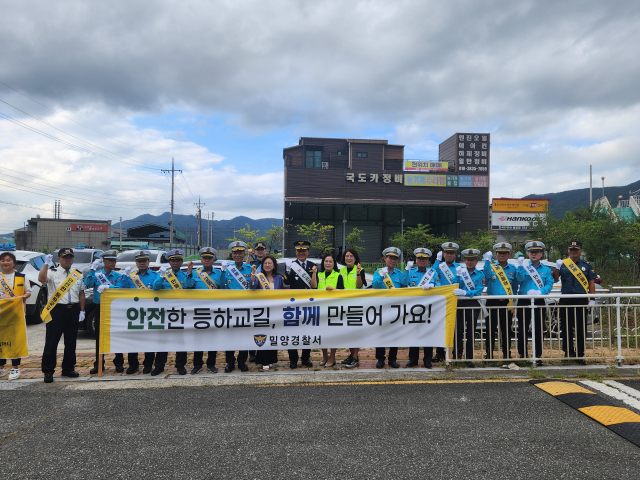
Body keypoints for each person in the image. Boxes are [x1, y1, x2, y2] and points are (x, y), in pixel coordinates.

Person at [38, 248, 85, 383]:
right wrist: (46, 264)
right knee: (52, 342)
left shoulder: (78, 274)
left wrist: (82, 311)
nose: (68, 259)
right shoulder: (52, 272)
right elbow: (42, 279)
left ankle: (68, 368)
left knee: (71, 342)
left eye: (70, 257)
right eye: (65, 257)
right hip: (56, 310)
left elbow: (81, 293)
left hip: (73, 309)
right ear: (59, 259)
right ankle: (48, 371)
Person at [552, 240, 596, 365]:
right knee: (565, 327)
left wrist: (592, 299)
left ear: (581, 251)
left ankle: (580, 354)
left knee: (581, 328)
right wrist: (557, 268)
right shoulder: (563, 264)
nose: (573, 252)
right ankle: (568, 352)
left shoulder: (587, 265)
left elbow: (591, 283)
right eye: (571, 249)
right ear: (568, 251)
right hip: (566, 299)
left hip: (581, 299)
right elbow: (555, 279)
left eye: (576, 249)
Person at [116, 250, 161, 374]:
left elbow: (158, 288)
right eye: (139, 261)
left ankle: (148, 364)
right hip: (134, 313)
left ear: (148, 262)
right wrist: (125, 276)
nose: (142, 264)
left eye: (144, 261)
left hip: (150, 312)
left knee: (149, 340)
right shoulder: (131, 276)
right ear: (136, 262)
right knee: (133, 340)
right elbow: (122, 288)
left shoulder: (155, 275)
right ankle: (133, 365)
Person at [85, 250, 126, 374]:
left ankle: (119, 363)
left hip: (114, 308)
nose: (113, 263)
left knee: (117, 336)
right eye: (110, 260)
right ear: (104, 261)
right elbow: (87, 283)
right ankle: (99, 363)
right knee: (99, 337)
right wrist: (92, 270)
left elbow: (121, 288)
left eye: (114, 260)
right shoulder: (97, 274)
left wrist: (109, 287)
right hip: (100, 308)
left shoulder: (118, 275)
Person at [186, 247, 225, 373]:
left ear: (213, 259)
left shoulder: (219, 273)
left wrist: (224, 272)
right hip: (199, 310)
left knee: (212, 338)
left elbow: (222, 288)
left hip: (214, 310)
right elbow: (188, 285)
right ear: (201, 260)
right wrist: (189, 271)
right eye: (204, 258)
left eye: (209, 258)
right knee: (199, 339)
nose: (207, 260)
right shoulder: (196, 272)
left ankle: (211, 363)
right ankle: (197, 364)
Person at [515, 241, 554, 365]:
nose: (534, 254)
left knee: (538, 328)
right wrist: (520, 267)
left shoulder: (546, 270)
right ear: (528, 253)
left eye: (536, 252)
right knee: (522, 328)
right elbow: (519, 279)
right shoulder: (524, 266)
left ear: (541, 254)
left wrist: (540, 292)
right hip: (524, 301)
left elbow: (549, 284)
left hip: (538, 300)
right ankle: (523, 354)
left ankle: (537, 356)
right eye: (531, 252)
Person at [152, 249, 189, 375]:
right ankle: (159, 366)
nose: (175, 263)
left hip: (181, 312)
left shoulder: (185, 276)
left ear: (181, 262)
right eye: (173, 260)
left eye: (178, 260)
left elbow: (190, 288)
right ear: (169, 262)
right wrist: (161, 277)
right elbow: (155, 288)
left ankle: (180, 365)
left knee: (180, 341)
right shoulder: (163, 274)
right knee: (163, 340)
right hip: (165, 312)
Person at [372, 247, 407, 368]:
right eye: (390, 258)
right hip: (382, 307)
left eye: (395, 258)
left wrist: (407, 272)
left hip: (395, 308)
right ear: (385, 258)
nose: (393, 260)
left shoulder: (399, 273)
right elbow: (375, 286)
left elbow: (404, 286)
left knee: (394, 334)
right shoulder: (379, 272)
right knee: (381, 334)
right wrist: (382, 276)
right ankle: (380, 359)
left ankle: (392, 358)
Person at [283, 240, 316, 369]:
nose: (301, 253)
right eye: (298, 251)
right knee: (293, 332)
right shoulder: (291, 265)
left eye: (303, 250)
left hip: (308, 304)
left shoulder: (313, 266)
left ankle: (306, 358)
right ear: (296, 252)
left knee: (307, 331)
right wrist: (287, 270)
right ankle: (293, 359)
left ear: (308, 252)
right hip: (294, 305)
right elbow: (288, 282)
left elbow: (315, 286)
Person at [483, 243, 518, 360]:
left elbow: (517, 283)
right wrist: (487, 261)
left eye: (505, 253)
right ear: (495, 254)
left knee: (506, 329)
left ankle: (506, 354)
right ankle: (489, 354)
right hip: (492, 301)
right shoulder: (491, 266)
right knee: (490, 329)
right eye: (499, 253)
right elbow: (486, 275)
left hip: (507, 302)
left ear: (509, 254)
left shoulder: (513, 268)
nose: (502, 255)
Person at [0, 251, 32, 380]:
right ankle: (1, 367)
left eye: (8, 260)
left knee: (16, 339)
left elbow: (28, 292)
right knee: (1, 339)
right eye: (3, 260)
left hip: (17, 314)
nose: (5, 262)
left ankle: (15, 368)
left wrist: (23, 297)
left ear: (14, 262)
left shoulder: (21, 277)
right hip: (2, 314)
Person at [404, 248, 437, 368]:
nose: (421, 261)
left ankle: (427, 360)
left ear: (428, 260)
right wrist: (406, 270)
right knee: (414, 334)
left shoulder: (432, 273)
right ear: (416, 260)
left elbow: (438, 288)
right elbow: (403, 283)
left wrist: (433, 286)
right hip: (414, 307)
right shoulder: (411, 272)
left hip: (428, 307)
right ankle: (413, 359)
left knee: (428, 333)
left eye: (424, 259)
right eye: (419, 258)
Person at [222, 241, 253, 372]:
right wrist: (223, 272)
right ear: (232, 254)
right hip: (230, 308)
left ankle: (242, 361)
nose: (237, 255)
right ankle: (230, 361)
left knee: (244, 336)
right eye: (235, 253)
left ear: (244, 253)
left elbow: (254, 286)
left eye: (240, 252)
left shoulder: (249, 268)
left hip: (246, 308)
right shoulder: (228, 268)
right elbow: (220, 286)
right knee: (230, 337)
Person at [250, 254, 283, 370]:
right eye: (265, 263)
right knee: (263, 335)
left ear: (274, 265)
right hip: (262, 311)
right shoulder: (259, 277)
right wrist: (253, 272)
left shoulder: (279, 278)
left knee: (273, 336)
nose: (267, 265)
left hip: (275, 311)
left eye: (270, 263)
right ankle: (263, 360)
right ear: (262, 266)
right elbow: (252, 286)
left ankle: (272, 359)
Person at [451, 249, 484, 366]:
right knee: (458, 331)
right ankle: (456, 356)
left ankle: (469, 358)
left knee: (471, 331)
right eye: (467, 260)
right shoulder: (460, 272)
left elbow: (479, 290)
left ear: (476, 261)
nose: (469, 262)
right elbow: (453, 285)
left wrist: (466, 293)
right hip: (459, 304)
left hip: (473, 303)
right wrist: (458, 276)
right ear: (464, 260)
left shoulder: (480, 274)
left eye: (472, 260)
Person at [430, 242, 461, 362]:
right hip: (442, 301)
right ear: (443, 254)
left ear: (455, 254)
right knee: (440, 328)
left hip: (454, 301)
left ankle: (456, 353)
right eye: (447, 252)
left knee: (456, 328)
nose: (449, 255)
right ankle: (440, 353)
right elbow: (431, 274)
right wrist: (437, 261)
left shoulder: (459, 267)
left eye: (452, 253)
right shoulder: (439, 265)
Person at [312, 252, 343, 367]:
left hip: (333, 308)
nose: (328, 263)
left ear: (334, 263)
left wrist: (333, 289)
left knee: (332, 334)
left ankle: (332, 356)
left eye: (330, 261)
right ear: (323, 263)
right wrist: (314, 273)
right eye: (326, 261)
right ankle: (325, 356)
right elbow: (314, 286)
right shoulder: (319, 274)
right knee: (322, 334)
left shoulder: (338, 275)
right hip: (320, 308)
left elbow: (342, 291)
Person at [339, 248, 367, 369]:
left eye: (351, 256)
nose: (349, 258)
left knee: (355, 333)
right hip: (344, 305)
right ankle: (352, 355)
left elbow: (359, 285)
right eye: (347, 256)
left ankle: (355, 358)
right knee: (348, 333)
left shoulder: (360, 270)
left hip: (356, 305)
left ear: (355, 258)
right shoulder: (341, 271)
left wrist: (358, 273)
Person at [248, 242, 269, 362]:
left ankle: (263, 352)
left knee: (265, 327)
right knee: (253, 327)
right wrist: (248, 256)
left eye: (262, 249)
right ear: (255, 252)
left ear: (266, 251)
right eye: (258, 250)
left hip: (266, 301)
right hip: (254, 300)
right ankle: (252, 353)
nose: (260, 251)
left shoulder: (269, 264)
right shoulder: (251, 264)